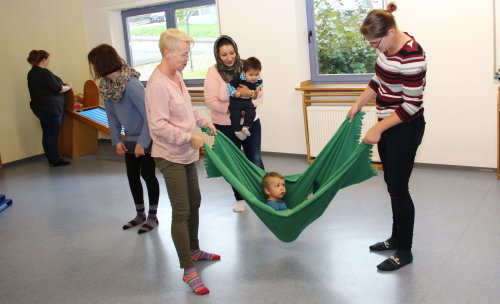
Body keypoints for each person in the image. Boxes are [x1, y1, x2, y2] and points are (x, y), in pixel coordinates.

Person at [348, 2, 426, 271]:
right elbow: (377, 79)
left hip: (405, 127)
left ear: (391, 32)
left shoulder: (413, 56)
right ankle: (395, 237)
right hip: (389, 123)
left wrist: (378, 128)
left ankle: (405, 250)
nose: (374, 48)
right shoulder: (387, 49)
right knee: (392, 183)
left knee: (399, 189)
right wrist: (359, 102)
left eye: (375, 43)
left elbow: (411, 105)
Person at [144, 28, 219, 295]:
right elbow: (159, 126)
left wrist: (203, 121)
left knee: (195, 200)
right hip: (169, 155)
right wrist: (189, 138)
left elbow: (186, 109)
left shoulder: (177, 75)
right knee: (182, 210)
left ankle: (194, 249)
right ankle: (188, 269)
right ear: (167, 52)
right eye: (184, 54)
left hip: (186, 152)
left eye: (188, 54)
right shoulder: (156, 85)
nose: (187, 59)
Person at [87, 44, 160, 234]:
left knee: (148, 175)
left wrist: (142, 144)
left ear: (102, 63)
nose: (94, 67)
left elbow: (149, 116)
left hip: (145, 137)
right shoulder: (107, 86)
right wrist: (116, 140)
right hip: (129, 138)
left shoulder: (132, 84)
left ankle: (152, 216)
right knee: (132, 176)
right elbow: (111, 115)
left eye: (95, 63)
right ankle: (140, 214)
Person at [204, 35, 265, 212]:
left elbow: (259, 89)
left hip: (251, 122)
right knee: (233, 163)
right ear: (217, 55)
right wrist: (233, 110)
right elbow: (210, 101)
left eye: (232, 52)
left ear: (236, 51)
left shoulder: (246, 65)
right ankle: (240, 198)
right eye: (224, 54)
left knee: (255, 159)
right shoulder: (213, 72)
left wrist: (251, 94)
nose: (229, 57)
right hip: (225, 125)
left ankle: (264, 195)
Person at [26, 50, 72, 167]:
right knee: (52, 135)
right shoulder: (43, 72)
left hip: (40, 108)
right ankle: (55, 160)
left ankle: (51, 158)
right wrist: (68, 86)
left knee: (47, 134)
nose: (48, 62)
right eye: (48, 60)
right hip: (51, 109)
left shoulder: (31, 73)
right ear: (44, 59)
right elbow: (58, 88)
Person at [227, 57, 263, 140]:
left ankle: (245, 127)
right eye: (251, 75)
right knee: (235, 114)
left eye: (257, 74)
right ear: (244, 73)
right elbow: (229, 85)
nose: (254, 77)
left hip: (247, 101)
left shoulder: (258, 80)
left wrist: (259, 88)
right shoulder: (239, 78)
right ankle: (237, 131)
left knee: (251, 112)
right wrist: (234, 92)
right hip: (236, 101)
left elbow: (260, 83)